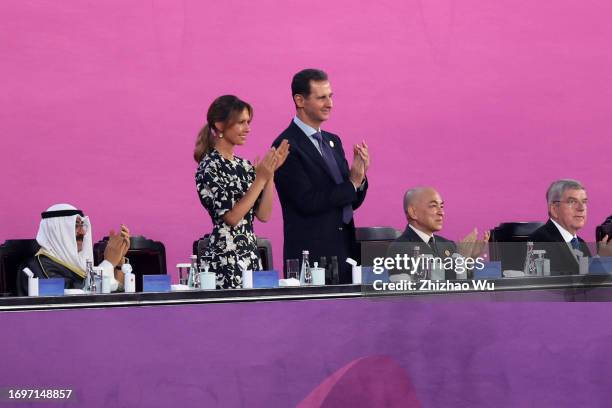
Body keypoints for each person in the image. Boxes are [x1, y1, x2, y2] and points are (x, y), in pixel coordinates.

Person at [272, 69, 369, 283]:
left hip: (346, 252)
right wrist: (351, 184)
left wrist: (359, 179)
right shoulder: (286, 145)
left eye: (331, 96)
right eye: (321, 97)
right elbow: (307, 201)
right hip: (312, 257)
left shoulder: (333, 141)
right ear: (300, 100)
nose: (329, 104)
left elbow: (349, 201)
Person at [195, 95, 289, 289]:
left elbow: (263, 215)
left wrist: (269, 175)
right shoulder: (209, 166)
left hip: (250, 256)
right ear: (220, 125)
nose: (248, 128)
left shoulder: (244, 166)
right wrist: (260, 178)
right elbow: (231, 217)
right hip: (225, 261)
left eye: (248, 122)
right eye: (241, 123)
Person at [20, 203, 130, 293]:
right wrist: (108, 263)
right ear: (57, 231)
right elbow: (75, 298)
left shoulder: (76, 263)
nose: (83, 232)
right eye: (76, 225)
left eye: (82, 226)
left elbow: (115, 294)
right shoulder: (38, 267)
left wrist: (118, 265)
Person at [389, 187, 489, 279]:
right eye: (433, 206)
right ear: (413, 212)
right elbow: (422, 291)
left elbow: (464, 289)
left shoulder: (448, 245)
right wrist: (461, 258)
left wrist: (469, 260)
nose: (441, 212)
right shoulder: (399, 248)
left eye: (441, 206)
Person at [527, 179, 601, 275]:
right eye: (572, 202)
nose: (581, 208)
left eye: (584, 202)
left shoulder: (581, 243)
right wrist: (602, 259)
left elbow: (587, 284)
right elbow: (561, 284)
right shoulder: (540, 240)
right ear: (554, 209)